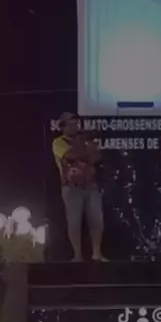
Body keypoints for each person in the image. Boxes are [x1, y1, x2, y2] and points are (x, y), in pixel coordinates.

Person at [52, 112, 107, 261]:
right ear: (63, 126)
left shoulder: (84, 140)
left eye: (76, 124)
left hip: (91, 185)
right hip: (71, 187)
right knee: (74, 222)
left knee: (97, 220)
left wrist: (86, 151)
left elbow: (96, 157)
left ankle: (97, 253)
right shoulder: (59, 142)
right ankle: (77, 255)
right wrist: (87, 150)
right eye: (70, 124)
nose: (74, 127)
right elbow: (69, 155)